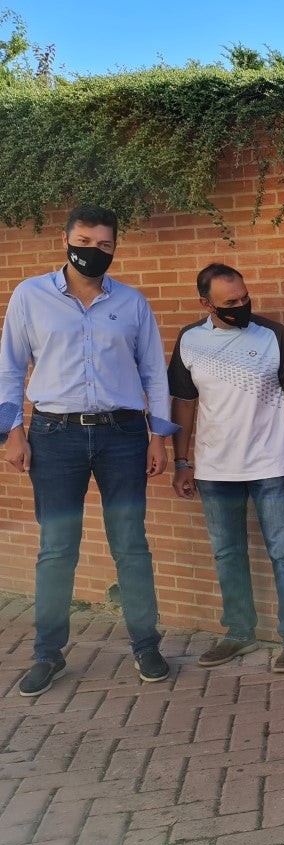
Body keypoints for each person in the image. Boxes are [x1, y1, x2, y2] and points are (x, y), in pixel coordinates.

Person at [0, 204, 177, 696]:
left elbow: (153, 376)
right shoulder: (30, 296)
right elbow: (11, 368)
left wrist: (158, 437)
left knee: (131, 545)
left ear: (115, 246)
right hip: (55, 437)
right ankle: (47, 654)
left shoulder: (133, 303)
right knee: (57, 550)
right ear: (65, 239)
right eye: (83, 240)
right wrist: (12, 432)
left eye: (103, 244)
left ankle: (146, 645)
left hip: (122, 436)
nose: (92, 251)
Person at [168, 262, 284, 673]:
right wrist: (182, 462)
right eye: (230, 302)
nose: (242, 306)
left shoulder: (272, 335)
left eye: (245, 298)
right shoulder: (190, 340)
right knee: (227, 553)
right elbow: (183, 403)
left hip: (272, 466)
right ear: (206, 303)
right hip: (215, 470)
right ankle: (238, 631)